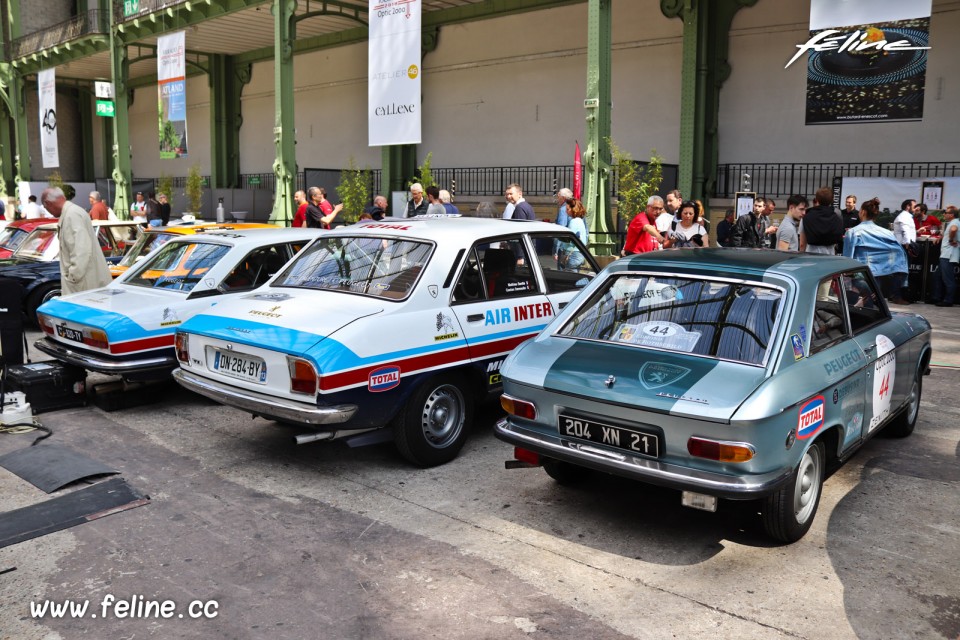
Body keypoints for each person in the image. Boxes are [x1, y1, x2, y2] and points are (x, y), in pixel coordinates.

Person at [41, 187, 111, 295]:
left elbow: (81, 250)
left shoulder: (71, 215)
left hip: (83, 284)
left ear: (48, 203)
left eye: (46, 207)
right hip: (85, 281)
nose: (47, 211)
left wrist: (73, 277)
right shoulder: (73, 212)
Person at [842, 197, 909, 304]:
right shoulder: (886, 233)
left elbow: (847, 258)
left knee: (856, 308)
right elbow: (900, 252)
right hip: (877, 276)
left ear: (862, 212)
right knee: (874, 306)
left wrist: (845, 278)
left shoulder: (853, 232)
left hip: (859, 276)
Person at [799, 187, 844, 254]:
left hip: (811, 255)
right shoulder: (837, 216)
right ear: (832, 200)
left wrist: (801, 255)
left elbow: (802, 244)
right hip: (830, 255)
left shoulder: (806, 217)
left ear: (817, 199)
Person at [892, 198, 917, 303]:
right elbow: (905, 231)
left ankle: (897, 296)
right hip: (903, 247)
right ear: (908, 206)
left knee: (902, 272)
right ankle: (897, 297)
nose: (915, 209)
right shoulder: (904, 216)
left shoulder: (906, 216)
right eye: (914, 206)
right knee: (900, 272)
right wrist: (908, 244)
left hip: (904, 246)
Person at [933, 205, 958, 307]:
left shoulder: (955, 223)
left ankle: (948, 300)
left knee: (948, 279)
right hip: (945, 255)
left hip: (948, 255)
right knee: (937, 276)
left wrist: (951, 240)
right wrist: (941, 237)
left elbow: (953, 230)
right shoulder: (952, 222)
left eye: (946, 213)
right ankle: (936, 297)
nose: (944, 214)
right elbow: (950, 232)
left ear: (951, 215)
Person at [557, 199, 588, 271]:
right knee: (575, 275)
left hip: (572, 254)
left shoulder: (573, 222)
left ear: (573, 209)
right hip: (579, 253)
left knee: (570, 277)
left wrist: (559, 237)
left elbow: (569, 239)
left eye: (567, 209)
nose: (566, 211)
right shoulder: (580, 220)